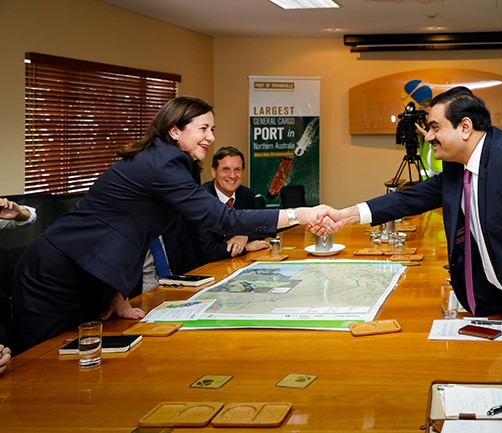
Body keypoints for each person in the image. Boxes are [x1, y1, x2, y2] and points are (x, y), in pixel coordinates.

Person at [11, 96, 338, 354]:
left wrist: (115, 294)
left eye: (213, 129)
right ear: (174, 131)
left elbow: (134, 229)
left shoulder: (167, 159)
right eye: (203, 129)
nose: (211, 137)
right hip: (58, 274)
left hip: (88, 273)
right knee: (36, 363)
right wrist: (298, 214)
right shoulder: (163, 162)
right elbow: (219, 218)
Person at [325, 86, 502, 350]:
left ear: (465, 127)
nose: (428, 137)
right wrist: (346, 215)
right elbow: (410, 198)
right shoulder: (458, 167)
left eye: (434, 127)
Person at [163, 146, 270, 275]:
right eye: (226, 170)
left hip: (233, 264)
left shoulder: (246, 194)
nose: (232, 175)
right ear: (214, 172)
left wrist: (243, 236)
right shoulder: (200, 200)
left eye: (237, 170)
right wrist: (246, 247)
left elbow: (260, 228)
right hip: (201, 271)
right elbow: (208, 252)